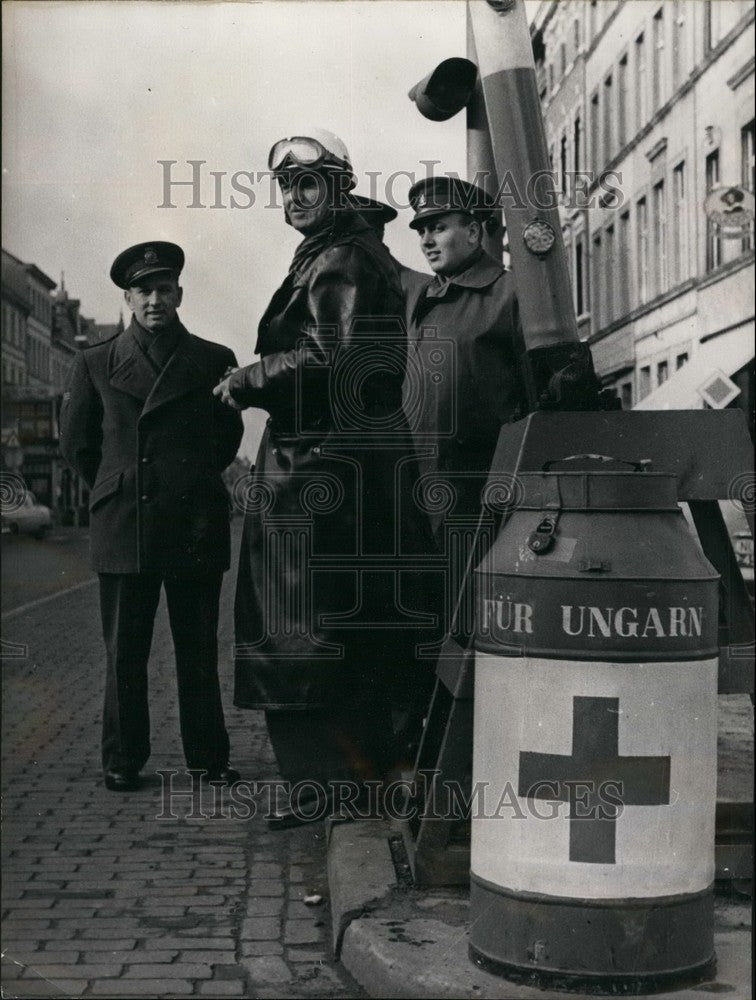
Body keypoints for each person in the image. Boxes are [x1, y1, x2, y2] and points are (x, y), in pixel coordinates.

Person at [214, 130, 434, 825]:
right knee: (347, 626)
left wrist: (249, 377)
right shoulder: (349, 248)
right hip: (348, 464)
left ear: (339, 185)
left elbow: (328, 357)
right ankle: (346, 784)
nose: (296, 197)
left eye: (309, 183)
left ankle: (326, 789)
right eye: (286, 186)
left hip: (320, 465)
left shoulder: (339, 254)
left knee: (301, 631)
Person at [60, 241, 244, 792]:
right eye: (144, 291)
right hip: (126, 526)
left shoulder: (213, 359)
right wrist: (117, 487)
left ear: (179, 294)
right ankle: (123, 759)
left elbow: (227, 438)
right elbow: (78, 445)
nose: (155, 300)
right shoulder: (95, 361)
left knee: (197, 651)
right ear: (128, 297)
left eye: (165, 289)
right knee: (125, 654)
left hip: (193, 524)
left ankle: (207, 759)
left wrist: (184, 482)